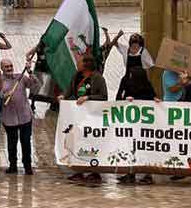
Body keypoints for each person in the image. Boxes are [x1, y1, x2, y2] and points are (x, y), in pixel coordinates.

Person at [58, 54, 108, 185]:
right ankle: (79, 170)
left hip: (93, 118)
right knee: (78, 143)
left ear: (86, 65)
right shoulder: (77, 76)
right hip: (78, 117)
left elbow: (103, 96)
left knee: (92, 144)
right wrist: (63, 96)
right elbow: (70, 90)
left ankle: (95, 171)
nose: (77, 64)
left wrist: (88, 98)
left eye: (79, 62)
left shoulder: (98, 78)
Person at [116, 66, 156, 185]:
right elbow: (118, 97)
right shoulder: (126, 81)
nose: (130, 77)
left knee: (144, 148)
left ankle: (147, 174)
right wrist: (125, 99)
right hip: (130, 123)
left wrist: (155, 101)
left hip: (144, 124)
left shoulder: (147, 86)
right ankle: (130, 173)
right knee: (130, 148)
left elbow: (152, 98)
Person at [1, 59, 39, 175]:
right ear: (2, 68)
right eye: (6, 66)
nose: (9, 68)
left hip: (25, 116)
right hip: (9, 118)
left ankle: (27, 166)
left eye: (10, 66)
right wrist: (4, 96)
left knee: (26, 142)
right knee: (11, 143)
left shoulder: (21, 77)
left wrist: (30, 72)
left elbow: (35, 86)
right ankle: (12, 166)